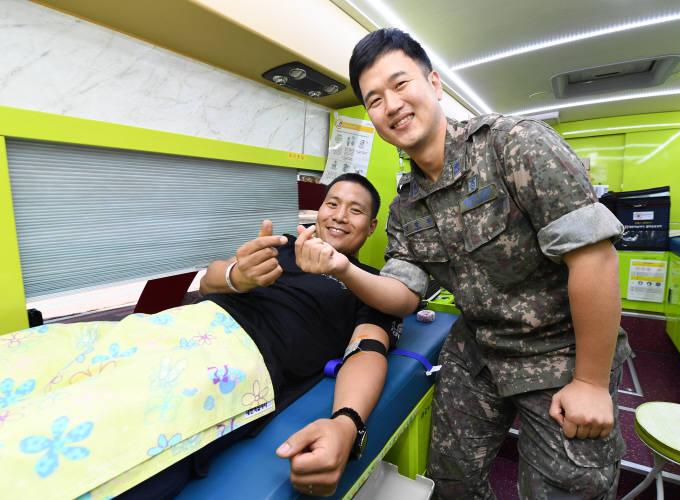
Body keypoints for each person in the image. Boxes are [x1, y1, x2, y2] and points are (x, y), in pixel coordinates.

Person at [294, 29, 631, 499]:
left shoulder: (514, 145)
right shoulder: (405, 207)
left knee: (569, 490)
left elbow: (594, 259)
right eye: (374, 100)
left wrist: (591, 383)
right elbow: (403, 296)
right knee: (449, 484)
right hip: (478, 349)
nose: (391, 105)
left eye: (400, 84)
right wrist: (341, 267)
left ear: (433, 83)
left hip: (561, 350)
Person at [0, 173, 400, 500]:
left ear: (371, 227)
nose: (339, 216)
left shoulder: (369, 285)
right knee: (35, 357)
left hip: (231, 362)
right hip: (175, 324)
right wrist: (237, 276)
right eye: (332, 203)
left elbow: (367, 349)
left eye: (355, 210)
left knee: (74, 435)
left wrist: (347, 423)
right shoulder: (283, 244)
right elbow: (210, 281)